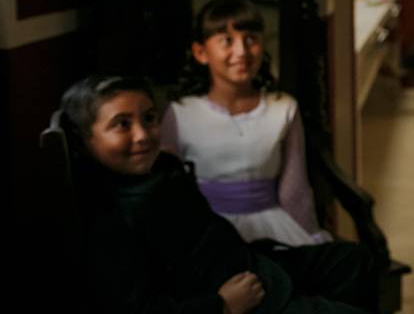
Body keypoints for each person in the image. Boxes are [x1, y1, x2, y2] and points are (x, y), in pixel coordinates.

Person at [61, 74, 374, 313]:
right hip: (228, 299)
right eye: (122, 125)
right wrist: (221, 304)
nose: (142, 135)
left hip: (246, 264)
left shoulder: (163, 171)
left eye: (149, 118)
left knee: (351, 260)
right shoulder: (110, 218)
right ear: (86, 141)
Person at [161, 0, 329, 247]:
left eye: (251, 40)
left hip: (274, 226)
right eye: (227, 41)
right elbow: (169, 191)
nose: (241, 52)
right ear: (201, 52)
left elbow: (295, 189)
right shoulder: (181, 114)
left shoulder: (283, 108)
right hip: (207, 230)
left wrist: (312, 235)